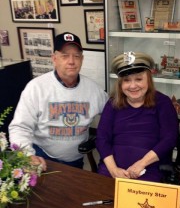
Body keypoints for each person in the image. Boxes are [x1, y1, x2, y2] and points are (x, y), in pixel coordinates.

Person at [9, 32, 108, 171]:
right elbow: (19, 127)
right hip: (42, 156)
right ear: (54, 59)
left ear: (82, 59)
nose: (71, 61)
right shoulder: (36, 88)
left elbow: (114, 114)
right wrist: (27, 155)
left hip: (75, 159)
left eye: (76, 56)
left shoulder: (94, 90)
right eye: (65, 56)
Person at [96, 51, 179, 182]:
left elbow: (169, 139)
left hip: (148, 168)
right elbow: (102, 138)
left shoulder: (163, 102)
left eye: (139, 79)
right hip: (112, 169)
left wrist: (141, 164)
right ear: (120, 84)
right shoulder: (112, 104)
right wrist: (113, 169)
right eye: (127, 80)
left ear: (149, 80)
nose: (133, 86)